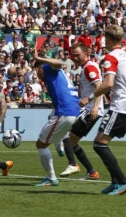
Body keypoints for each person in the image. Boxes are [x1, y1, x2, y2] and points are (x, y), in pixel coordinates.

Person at [80, 25, 126, 195]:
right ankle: (115, 182)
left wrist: (89, 98)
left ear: (107, 39)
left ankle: (121, 182)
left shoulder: (111, 57)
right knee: (101, 143)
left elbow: (108, 84)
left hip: (120, 106)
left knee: (100, 144)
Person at [28, 45, 80, 186]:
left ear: (39, 68)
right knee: (52, 125)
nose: (37, 76)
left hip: (65, 112)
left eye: (36, 71)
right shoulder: (55, 76)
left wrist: (38, 58)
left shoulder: (47, 68)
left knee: (41, 144)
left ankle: (51, 177)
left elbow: (59, 63)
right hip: (71, 111)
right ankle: (59, 146)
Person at [58, 42, 102, 180]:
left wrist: (95, 107)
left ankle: (74, 165)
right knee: (71, 140)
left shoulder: (89, 67)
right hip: (87, 109)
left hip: (90, 111)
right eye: (73, 55)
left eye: (78, 55)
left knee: (66, 135)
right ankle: (91, 172)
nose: (75, 58)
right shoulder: (85, 68)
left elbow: (99, 86)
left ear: (86, 53)